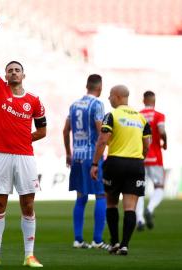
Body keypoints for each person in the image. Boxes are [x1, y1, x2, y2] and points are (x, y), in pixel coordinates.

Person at [0, 11, 47, 268]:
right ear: (6, 76)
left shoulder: (34, 101)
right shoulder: (0, 91)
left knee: (28, 204)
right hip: (1, 155)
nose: (13, 73)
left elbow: (42, 131)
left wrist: (24, 137)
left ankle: (29, 255)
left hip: (25, 157)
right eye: (9, 70)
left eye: (17, 70)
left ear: (24, 75)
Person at [90, 85, 151, 256]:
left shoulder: (112, 115)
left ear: (117, 96)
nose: (109, 99)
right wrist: (139, 159)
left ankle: (115, 242)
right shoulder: (141, 118)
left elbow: (102, 140)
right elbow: (147, 145)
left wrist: (95, 164)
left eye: (110, 96)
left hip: (116, 162)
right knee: (130, 207)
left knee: (111, 203)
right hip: (136, 163)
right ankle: (124, 245)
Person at [62, 74, 108, 249]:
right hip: (91, 155)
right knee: (101, 195)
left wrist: (68, 153)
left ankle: (78, 239)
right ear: (100, 87)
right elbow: (100, 130)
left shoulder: (74, 105)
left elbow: (65, 130)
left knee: (81, 196)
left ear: (86, 86)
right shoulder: (97, 104)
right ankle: (97, 240)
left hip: (77, 156)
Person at [135, 91, 167, 231]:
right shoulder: (159, 116)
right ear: (154, 101)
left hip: (140, 157)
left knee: (139, 190)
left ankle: (140, 219)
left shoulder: (137, 116)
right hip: (155, 157)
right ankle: (150, 208)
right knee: (159, 187)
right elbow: (162, 131)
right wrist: (164, 142)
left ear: (143, 100)